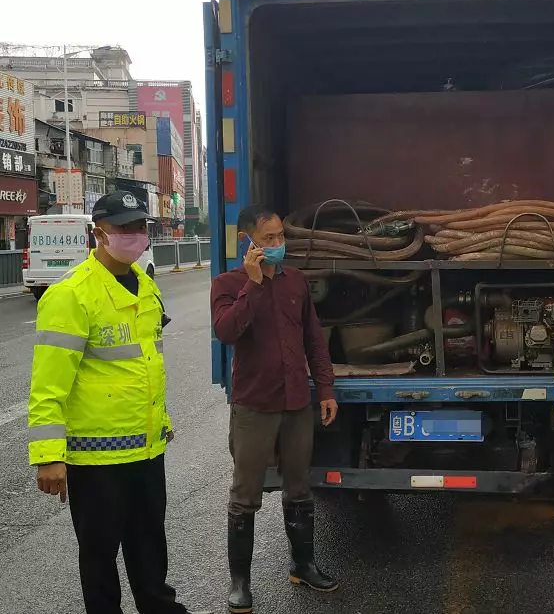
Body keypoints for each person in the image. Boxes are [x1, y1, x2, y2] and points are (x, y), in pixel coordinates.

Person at [27, 191, 210, 614]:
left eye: (140, 226)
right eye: (123, 227)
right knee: (99, 557)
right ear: (99, 234)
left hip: (145, 448)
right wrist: (48, 456)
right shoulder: (71, 294)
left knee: (150, 547)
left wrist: (160, 422)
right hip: (97, 456)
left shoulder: (144, 284)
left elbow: (145, 364)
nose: (134, 235)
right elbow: (48, 385)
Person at [210, 204, 339, 614]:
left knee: (299, 488)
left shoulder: (295, 281)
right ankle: (240, 583)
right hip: (254, 406)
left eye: (281, 236)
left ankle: (303, 565)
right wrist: (253, 286)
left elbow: (314, 340)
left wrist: (326, 390)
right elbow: (226, 331)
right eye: (269, 238)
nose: (278, 243)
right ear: (246, 240)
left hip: (296, 403)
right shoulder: (227, 285)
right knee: (245, 494)